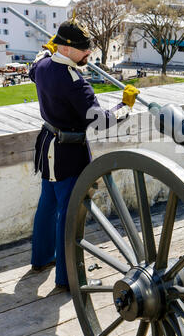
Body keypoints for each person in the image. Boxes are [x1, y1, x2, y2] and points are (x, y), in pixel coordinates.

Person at [29, 19, 139, 290]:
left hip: (47, 148)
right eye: (82, 49)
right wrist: (124, 106)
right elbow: (99, 121)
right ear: (65, 49)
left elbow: (34, 67)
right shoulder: (76, 83)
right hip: (68, 154)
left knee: (47, 205)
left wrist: (46, 51)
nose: (88, 53)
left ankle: (41, 259)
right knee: (69, 215)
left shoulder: (42, 66)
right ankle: (68, 278)